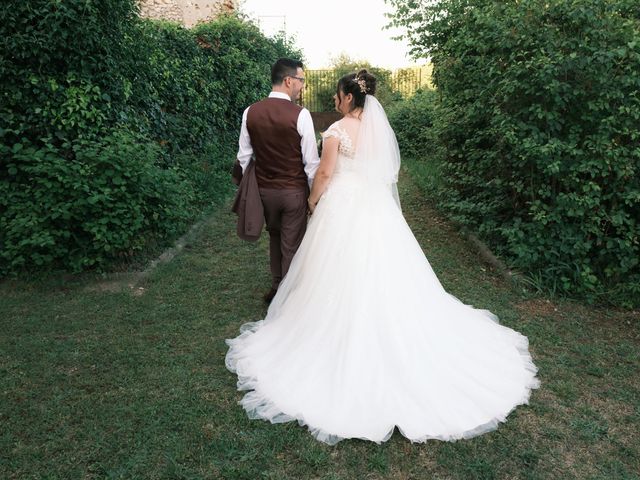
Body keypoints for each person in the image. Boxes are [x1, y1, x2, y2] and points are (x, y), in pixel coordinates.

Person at [226, 70, 540, 445]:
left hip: (342, 207)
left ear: (347, 97)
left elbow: (324, 173)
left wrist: (312, 201)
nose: (335, 101)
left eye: (339, 95)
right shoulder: (376, 130)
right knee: (387, 269)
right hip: (376, 209)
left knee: (335, 267)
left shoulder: (337, 131)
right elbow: (386, 171)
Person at [235, 58, 320, 303]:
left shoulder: (250, 111)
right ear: (288, 80)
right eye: (301, 80)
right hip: (293, 191)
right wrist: (314, 197)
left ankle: (276, 287)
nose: (302, 86)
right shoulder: (300, 114)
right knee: (291, 242)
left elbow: (244, 157)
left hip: (264, 191)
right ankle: (290, 296)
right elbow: (311, 163)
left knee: (274, 237)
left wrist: (248, 189)